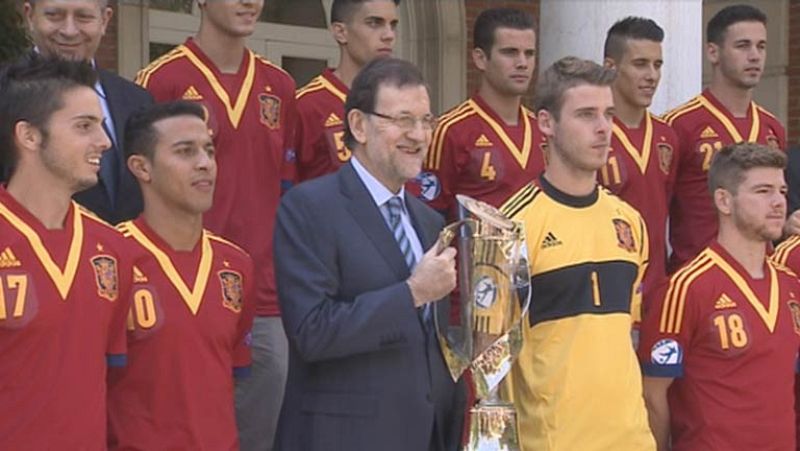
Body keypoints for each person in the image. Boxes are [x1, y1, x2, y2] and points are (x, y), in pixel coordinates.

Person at [273, 57, 465, 451]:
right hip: (345, 438)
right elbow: (312, 332)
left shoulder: (430, 222)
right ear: (358, 125)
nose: (419, 135)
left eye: (426, 121)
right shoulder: (310, 207)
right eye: (402, 120)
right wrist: (411, 293)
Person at [134, 1, 297, 449]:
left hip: (260, 296)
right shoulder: (160, 80)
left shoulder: (280, 86)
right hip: (176, 286)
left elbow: (287, 192)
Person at [500, 56, 655, 451]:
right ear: (546, 123)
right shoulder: (509, 228)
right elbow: (490, 367)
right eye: (586, 115)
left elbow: (625, 339)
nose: (603, 128)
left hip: (632, 441)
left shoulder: (630, 222)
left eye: (608, 114)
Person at [0, 55, 133, 449]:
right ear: (29, 136)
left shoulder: (113, 250)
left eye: (101, 124)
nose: (105, 141)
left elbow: (111, 381)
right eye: (84, 126)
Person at [107, 101, 255, 450]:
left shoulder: (236, 265)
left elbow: (230, 376)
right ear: (142, 167)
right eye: (185, 152)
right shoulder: (109, 259)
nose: (204, 163)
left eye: (208, 150)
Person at [640, 143, 800, 450]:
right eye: (763, 191)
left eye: (781, 190)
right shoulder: (687, 287)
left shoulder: (791, 284)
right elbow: (652, 394)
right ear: (724, 201)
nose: (778, 202)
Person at [663, 4, 786, 272]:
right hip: (697, 279)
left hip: (760, 277)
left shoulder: (772, 127)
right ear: (713, 52)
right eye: (743, 46)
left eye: (761, 46)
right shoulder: (678, 125)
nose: (754, 56)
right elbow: (653, 209)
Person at [23, 0, 153, 224]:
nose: (69, 30)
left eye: (84, 17)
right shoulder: (6, 93)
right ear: (29, 16)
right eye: (54, 15)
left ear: (105, 20)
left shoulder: (138, 100)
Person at [412, 7, 544, 219]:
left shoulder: (544, 129)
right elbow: (426, 216)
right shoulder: (449, 130)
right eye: (510, 52)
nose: (522, 63)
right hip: (471, 251)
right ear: (480, 59)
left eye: (529, 53)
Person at [600, 17, 679, 304]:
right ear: (610, 67)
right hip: (608, 293)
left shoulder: (667, 137)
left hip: (657, 291)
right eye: (640, 64)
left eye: (657, 65)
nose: (652, 75)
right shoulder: (593, 133)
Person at [294, 0, 399, 182]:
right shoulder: (306, 106)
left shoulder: (400, 104)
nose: (389, 35)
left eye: (393, 25)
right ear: (341, 32)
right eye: (374, 23)